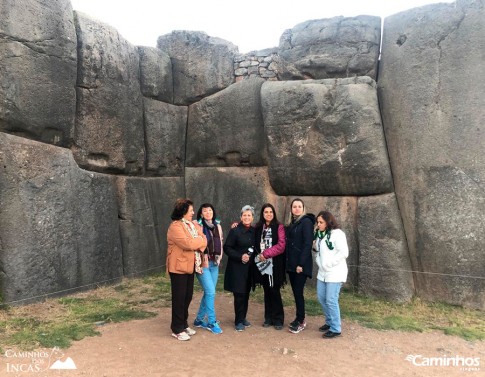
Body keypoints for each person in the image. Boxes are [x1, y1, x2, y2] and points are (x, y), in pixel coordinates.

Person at [166, 198, 207, 341]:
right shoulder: (175, 226)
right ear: (183, 211)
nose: (193, 212)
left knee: (187, 296)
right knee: (179, 298)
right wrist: (199, 241)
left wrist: (199, 241)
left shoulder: (192, 225)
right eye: (190, 210)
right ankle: (176, 329)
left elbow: (204, 239)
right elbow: (187, 244)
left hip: (190, 266)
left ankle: (183, 324)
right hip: (178, 267)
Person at [313, 210, 349, 338]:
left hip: (335, 272)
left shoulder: (337, 234)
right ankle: (329, 322)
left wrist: (329, 264)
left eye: (321, 222)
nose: (319, 224)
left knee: (331, 299)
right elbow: (317, 251)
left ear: (328, 222)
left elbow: (344, 252)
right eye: (318, 222)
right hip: (322, 272)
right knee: (322, 297)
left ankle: (336, 328)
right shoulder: (319, 234)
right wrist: (319, 262)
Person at [254, 203, 286, 330]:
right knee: (267, 290)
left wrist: (266, 254)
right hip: (262, 264)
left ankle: (278, 319)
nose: (268, 214)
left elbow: (281, 245)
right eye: (266, 212)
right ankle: (268, 317)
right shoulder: (258, 227)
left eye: (271, 212)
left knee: (274, 290)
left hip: (274, 264)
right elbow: (248, 231)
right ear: (262, 214)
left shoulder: (279, 227)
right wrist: (236, 225)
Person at [192, 203, 224, 334]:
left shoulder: (218, 226)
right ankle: (211, 322)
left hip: (214, 263)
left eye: (210, 210)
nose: (208, 212)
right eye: (205, 211)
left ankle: (199, 320)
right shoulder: (197, 225)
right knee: (211, 292)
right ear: (201, 214)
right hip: (203, 263)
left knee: (208, 292)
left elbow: (220, 243)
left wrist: (219, 258)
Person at [224, 205, 256, 331]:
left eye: (249, 215)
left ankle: (243, 318)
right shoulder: (235, 230)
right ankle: (238, 321)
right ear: (240, 217)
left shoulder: (254, 231)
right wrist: (239, 256)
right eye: (244, 215)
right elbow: (227, 247)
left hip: (250, 268)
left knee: (246, 293)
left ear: (253, 217)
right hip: (237, 267)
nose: (247, 217)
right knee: (239, 294)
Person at [285, 198, 315, 334]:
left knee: (298, 292)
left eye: (299, 206)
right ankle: (298, 318)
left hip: (300, 265)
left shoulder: (306, 222)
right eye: (294, 206)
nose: (297, 209)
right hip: (292, 264)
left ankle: (301, 320)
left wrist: (301, 264)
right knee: (296, 293)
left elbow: (307, 244)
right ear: (291, 209)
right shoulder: (293, 223)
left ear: (303, 208)